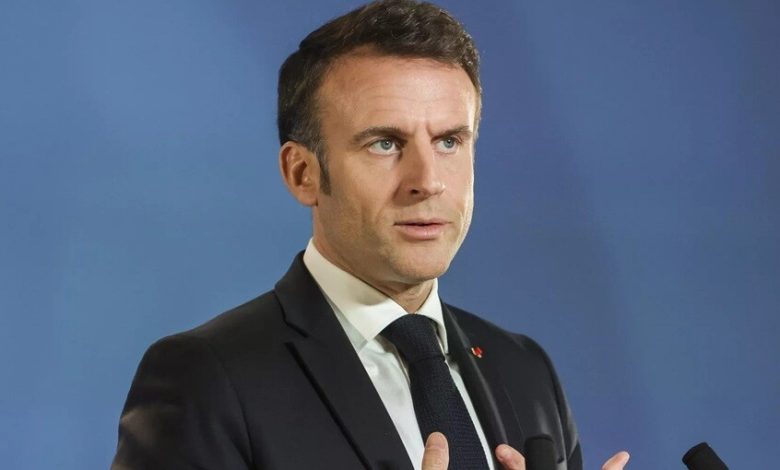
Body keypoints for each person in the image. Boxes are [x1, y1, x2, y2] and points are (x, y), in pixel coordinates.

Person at [112, 1, 628, 469]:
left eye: (449, 141)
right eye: (385, 143)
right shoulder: (208, 377)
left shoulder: (525, 371)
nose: (427, 180)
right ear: (302, 173)